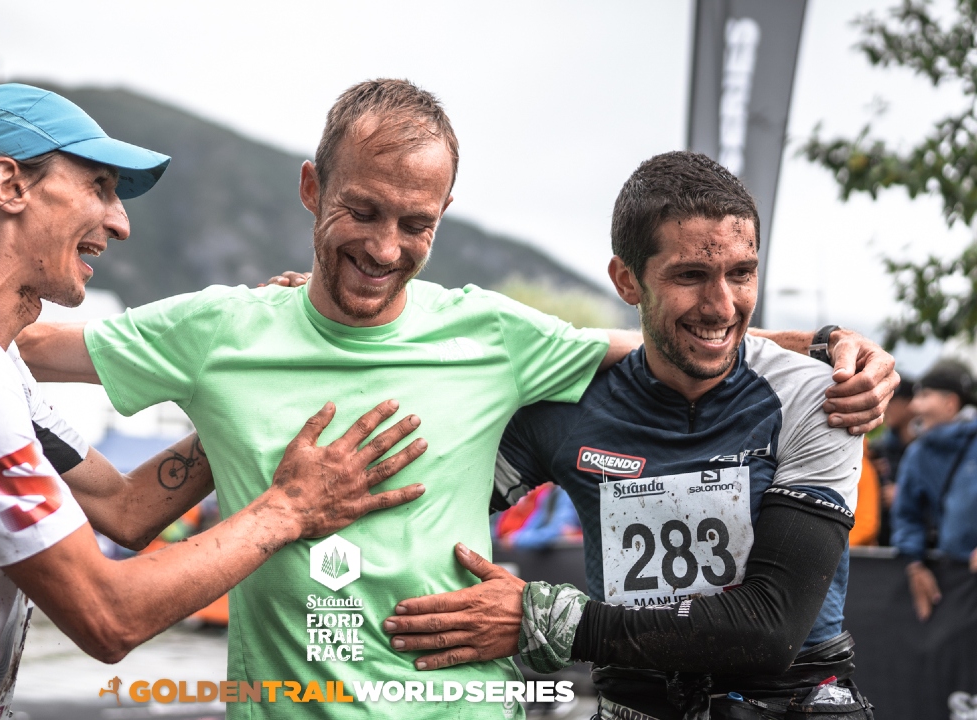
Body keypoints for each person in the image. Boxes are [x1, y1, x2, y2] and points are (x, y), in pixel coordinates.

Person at [0, 82, 897, 719]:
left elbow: (677, 331)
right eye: (360, 211)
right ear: (309, 190)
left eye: (415, 223)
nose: (385, 248)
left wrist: (841, 352)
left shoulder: (492, 332)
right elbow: (17, 329)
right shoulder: (218, 330)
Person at [0, 84, 430, 720]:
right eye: (98, 186)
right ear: (9, 184)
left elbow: (127, 509)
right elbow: (107, 616)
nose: (121, 222)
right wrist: (289, 507)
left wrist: (256, 389)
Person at [383, 151, 879, 719]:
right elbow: (417, 505)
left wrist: (547, 619)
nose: (722, 306)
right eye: (691, 275)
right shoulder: (570, 403)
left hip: (785, 702)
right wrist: (328, 324)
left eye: (741, 273)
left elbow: (768, 630)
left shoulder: (820, 395)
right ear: (627, 280)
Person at [892, 360, 977, 622]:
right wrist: (914, 565)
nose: (915, 405)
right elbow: (906, 514)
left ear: (951, 403)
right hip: (953, 582)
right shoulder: (917, 453)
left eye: (925, 395)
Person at [867, 378, 914, 545]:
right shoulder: (877, 448)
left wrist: (903, 496)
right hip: (881, 539)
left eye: (894, 400)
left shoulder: (925, 446)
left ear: (911, 404)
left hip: (913, 543)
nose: (888, 406)